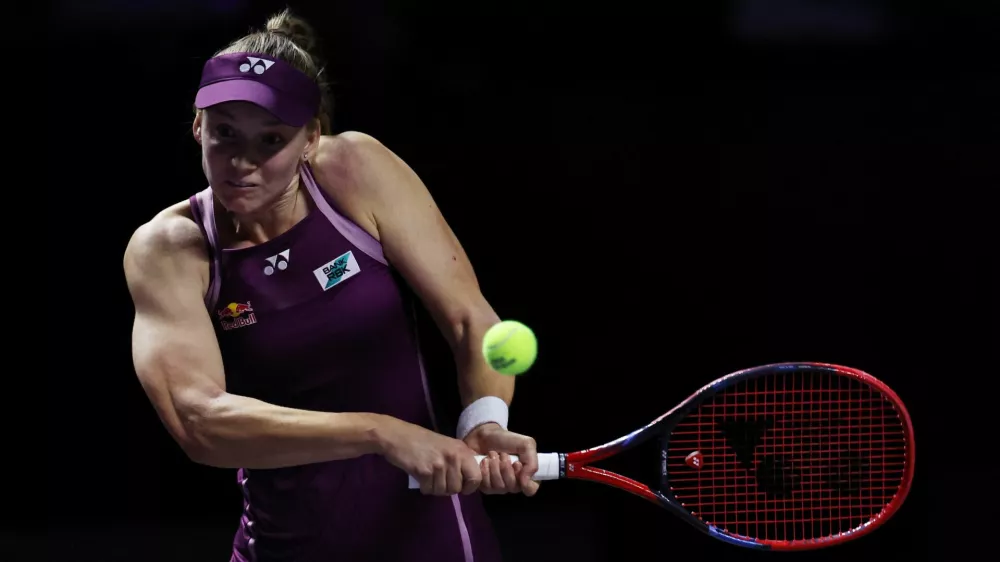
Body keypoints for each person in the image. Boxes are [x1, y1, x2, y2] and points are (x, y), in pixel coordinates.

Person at [123, 9, 540, 562]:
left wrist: (484, 421)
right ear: (198, 125)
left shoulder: (355, 172)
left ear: (310, 139)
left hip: (429, 538)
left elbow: (470, 321)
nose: (242, 163)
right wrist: (379, 432)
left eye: (270, 140)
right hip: (281, 545)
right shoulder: (169, 248)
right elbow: (199, 422)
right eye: (225, 134)